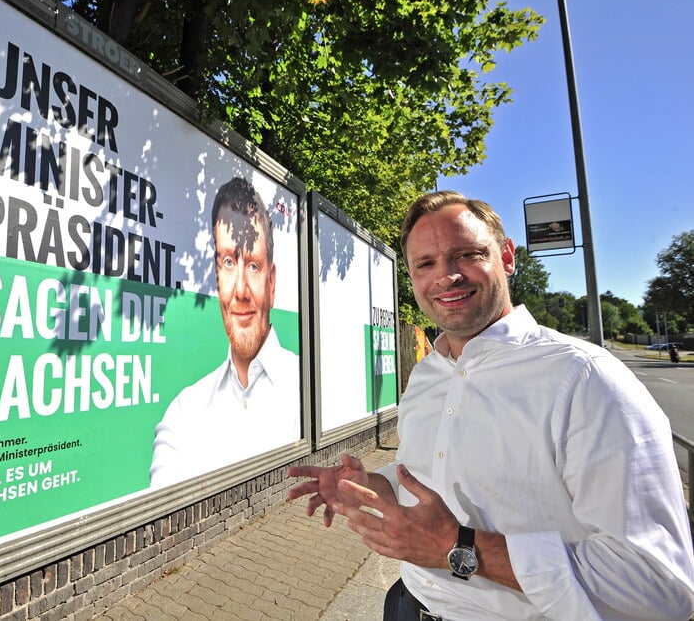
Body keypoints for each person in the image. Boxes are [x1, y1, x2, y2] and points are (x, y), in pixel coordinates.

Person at [288, 191, 694, 620]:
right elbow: (435, 477)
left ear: (506, 257)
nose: (446, 277)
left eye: (466, 254)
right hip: (407, 605)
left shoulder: (583, 378)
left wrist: (459, 548)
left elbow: (659, 583)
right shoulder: (429, 374)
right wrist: (373, 482)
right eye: (425, 264)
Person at [149, 177, 300, 488]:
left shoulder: (307, 387)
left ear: (272, 283)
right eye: (229, 262)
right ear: (216, 277)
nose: (241, 291)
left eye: (254, 266)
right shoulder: (183, 413)